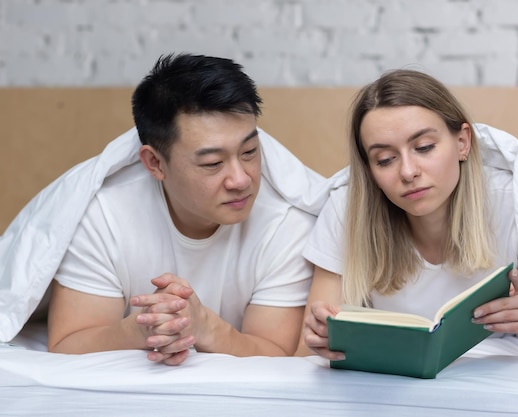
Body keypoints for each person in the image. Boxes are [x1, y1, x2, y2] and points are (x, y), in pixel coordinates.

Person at [296, 69, 518, 362]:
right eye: (385, 159)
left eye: (425, 147)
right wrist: (321, 338)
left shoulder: (517, 204)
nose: (407, 172)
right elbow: (309, 348)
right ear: (369, 169)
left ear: (462, 142)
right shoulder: (347, 208)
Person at [46, 53, 316, 365]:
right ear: (155, 163)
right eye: (213, 163)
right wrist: (139, 330)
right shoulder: (103, 217)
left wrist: (205, 328)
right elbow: (68, 346)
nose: (241, 179)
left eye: (249, 151)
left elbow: (279, 356)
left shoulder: (286, 223)